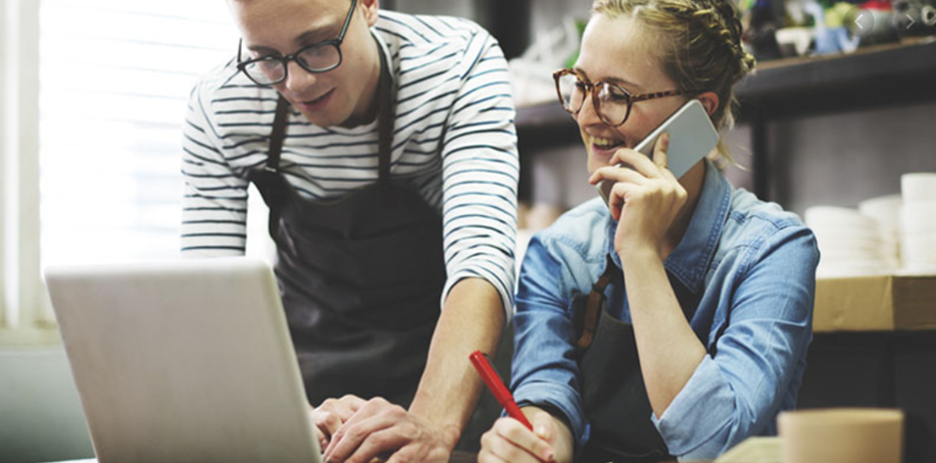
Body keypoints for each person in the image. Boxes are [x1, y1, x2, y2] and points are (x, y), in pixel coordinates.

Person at [479, 0, 820, 462]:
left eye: (615, 94)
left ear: (698, 113)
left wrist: (638, 253)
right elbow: (546, 390)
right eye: (580, 86)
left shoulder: (772, 251)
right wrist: (536, 439)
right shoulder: (560, 251)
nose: (585, 115)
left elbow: (717, 442)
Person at [180, 0, 518, 461]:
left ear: (369, 6)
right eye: (265, 57)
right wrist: (289, 419)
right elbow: (208, 297)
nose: (295, 82)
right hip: (310, 372)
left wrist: (432, 423)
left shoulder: (456, 64)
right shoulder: (220, 103)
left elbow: (481, 259)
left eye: (317, 45)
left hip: (441, 370)